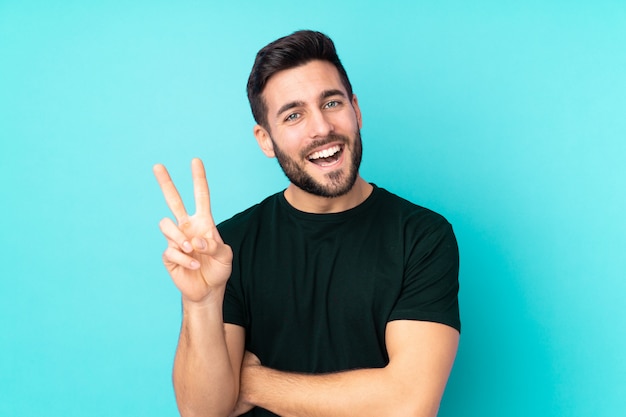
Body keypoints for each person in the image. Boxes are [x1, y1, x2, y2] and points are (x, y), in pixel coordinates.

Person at [154, 30, 460, 417]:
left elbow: (408, 405)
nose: (321, 128)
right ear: (266, 140)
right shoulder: (228, 246)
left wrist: (251, 383)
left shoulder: (421, 236)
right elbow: (203, 412)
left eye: (331, 103)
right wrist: (201, 301)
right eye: (294, 115)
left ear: (356, 110)